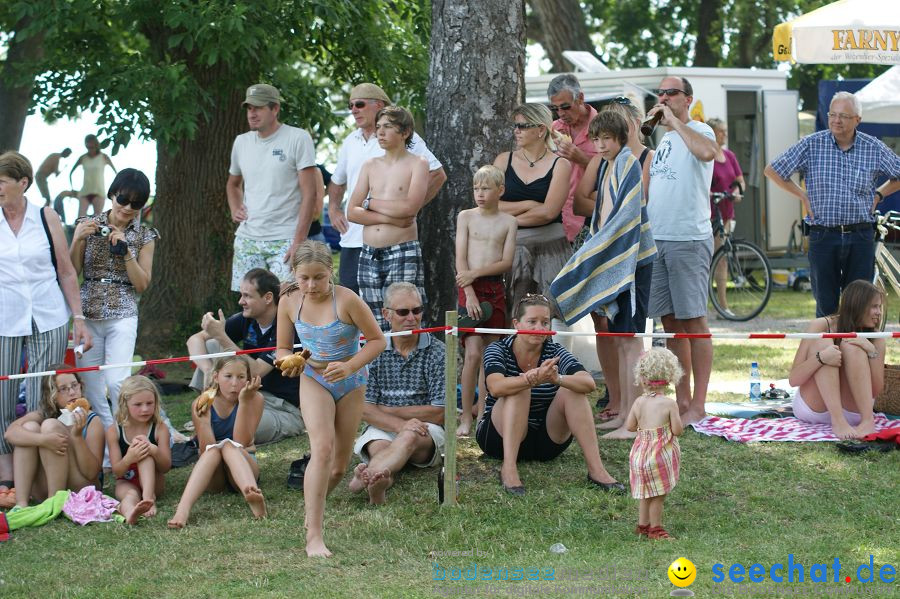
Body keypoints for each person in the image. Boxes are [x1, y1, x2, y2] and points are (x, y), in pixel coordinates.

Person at [275, 240, 385, 557]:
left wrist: (349, 365)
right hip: (313, 379)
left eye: (319, 277)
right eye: (304, 277)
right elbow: (282, 349)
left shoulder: (348, 300)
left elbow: (377, 341)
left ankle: (315, 503)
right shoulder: (288, 301)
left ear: (330, 272)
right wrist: (288, 363)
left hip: (350, 381)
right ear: (295, 274)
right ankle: (314, 536)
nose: (311, 285)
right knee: (320, 450)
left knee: (337, 466)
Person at [554, 111, 656, 441]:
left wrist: (594, 255)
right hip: (618, 262)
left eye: (606, 139)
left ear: (620, 137)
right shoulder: (609, 165)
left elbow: (627, 218)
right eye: (595, 139)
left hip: (632, 262)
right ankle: (625, 411)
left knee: (631, 341)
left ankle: (635, 417)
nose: (600, 145)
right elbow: (602, 216)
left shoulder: (627, 163)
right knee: (623, 340)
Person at [0, 151, 91, 491]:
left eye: (2, 181)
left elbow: (66, 271)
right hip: (4, 317)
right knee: (2, 397)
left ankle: (45, 472)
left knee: (46, 397)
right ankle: (7, 475)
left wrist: (78, 319)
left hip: (49, 313)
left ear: (23, 183)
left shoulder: (46, 215)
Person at [765, 91, 900, 318]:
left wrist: (879, 194)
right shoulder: (811, 144)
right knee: (826, 306)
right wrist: (803, 195)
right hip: (823, 235)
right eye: (832, 115)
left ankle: (855, 353)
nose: (836, 120)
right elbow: (772, 170)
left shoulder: (873, 147)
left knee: (858, 306)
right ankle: (828, 353)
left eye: (844, 116)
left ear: (857, 119)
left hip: (860, 236)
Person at [475, 294, 624, 495]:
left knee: (573, 391)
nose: (540, 328)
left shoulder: (555, 350)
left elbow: (588, 383)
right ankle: (508, 469)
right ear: (517, 324)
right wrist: (531, 379)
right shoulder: (497, 348)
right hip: (497, 439)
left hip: (546, 442)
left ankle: (597, 471)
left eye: (545, 322)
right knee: (519, 389)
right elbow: (496, 387)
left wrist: (557, 379)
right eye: (532, 322)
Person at [645, 76, 718, 425]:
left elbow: (708, 153)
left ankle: (700, 404)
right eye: (660, 93)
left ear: (687, 99)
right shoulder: (665, 140)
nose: (663, 98)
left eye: (670, 93)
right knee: (671, 324)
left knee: (694, 322)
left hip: (688, 239)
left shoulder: (700, 129)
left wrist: (674, 120)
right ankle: (683, 400)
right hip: (658, 240)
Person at [327, 82, 446, 294]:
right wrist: (334, 208)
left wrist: (409, 210)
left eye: (360, 104)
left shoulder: (406, 140)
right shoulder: (349, 141)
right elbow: (338, 180)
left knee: (400, 306)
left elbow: (437, 175)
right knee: (356, 308)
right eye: (350, 105)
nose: (353, 110)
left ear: (378, 105)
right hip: (354, 239)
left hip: (398, 241)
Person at [70, 168, 158, 430]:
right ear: (111, 195)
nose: (128, 207)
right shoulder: (88, 223)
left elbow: (142, 284)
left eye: (137, 203)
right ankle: (109, 449)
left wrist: (126, 251)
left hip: (123, 312)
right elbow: (72, 272)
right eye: (123, 199)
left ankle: (129, 436)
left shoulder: (145, 235)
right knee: (92, 387)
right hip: (87, 313)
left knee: (117, 381)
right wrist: (77, 240)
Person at [348, 283, 446, 504]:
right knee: (384, 449)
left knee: (409, 436)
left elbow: (440, 413)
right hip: (387, 427)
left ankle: (363, 478)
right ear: (386, 314)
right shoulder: (373, 350)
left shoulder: (438, 351)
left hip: (425, 431)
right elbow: (363, 409)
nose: (412, 317)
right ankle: (378, 484)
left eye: (417, 310)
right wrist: (400, 424)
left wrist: (388, 412)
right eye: (403, 312)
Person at [186, 268, 304, 445]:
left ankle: (212, 422)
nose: (241, 301)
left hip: (281, 407)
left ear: (268, 298)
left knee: (238, 429)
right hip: (246, 395)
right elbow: (194, 340)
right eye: (241, 295)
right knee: (211, 345)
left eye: (247, 296)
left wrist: (222, 336)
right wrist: (209, 370)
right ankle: (212, 414)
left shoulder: (286, 325)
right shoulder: (245, 318)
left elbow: (256, 371)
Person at [226, 83, 318, 290]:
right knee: (249, 304)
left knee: (287, 299)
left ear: (275, 109)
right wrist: (235, 208)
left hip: (286, 237)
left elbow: (310, 194)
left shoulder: (298, 138)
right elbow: (233, 184)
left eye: (258, 108)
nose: (252, 114)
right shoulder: (241, 142)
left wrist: (299, 241)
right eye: (249, 108)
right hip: (247, 239)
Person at [347, 106, 430, 328]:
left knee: (404, 314)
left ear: (405, 132)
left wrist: (370, 203)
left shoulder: (418, 164)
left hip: (402, 249)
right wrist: (392, 218)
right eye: (378, 127)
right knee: (372, 318)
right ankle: (377, 363)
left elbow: (410, 209)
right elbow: (352, 211)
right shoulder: (370, 165)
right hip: (368, 253)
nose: (380, 133)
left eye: (388, 127)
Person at [493, 104, 573, 326]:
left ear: (540, 130)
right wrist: (529, 203)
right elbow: (490, 205)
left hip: (551, 250)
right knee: (514, 313)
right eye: (515, 126)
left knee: (548, 316)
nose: (516, 131)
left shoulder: (560, 164)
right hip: (511, 248)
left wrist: (508, 218)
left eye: (522, 126)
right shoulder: (503, 161)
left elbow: (549, 212)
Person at [167, 356, 267, 528]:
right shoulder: (202, 402)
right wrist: (205, 422)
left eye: (241, 377)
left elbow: (241, 442)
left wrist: (243, 402)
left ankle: (252, 494)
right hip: (214, 474)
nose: (235, 383)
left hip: (245, 467)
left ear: (248, 379)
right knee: (214, 450)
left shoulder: (255, 399)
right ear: (216, 377)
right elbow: (205, 448)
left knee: (229, 445)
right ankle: (182, 509)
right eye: (228, 376)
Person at [455, 165, 517, 436]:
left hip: (494, 288)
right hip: (467, 288)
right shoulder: (466, 216)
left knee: (490, 354)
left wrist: (475, 274)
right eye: (476, 189)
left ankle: (483, 412)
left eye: (486, 189)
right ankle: (465, 416)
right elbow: (460, 257)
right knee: (472, 353)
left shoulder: (509, 222)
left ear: (500, 190)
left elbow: (506, 262)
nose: (479, 194)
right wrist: (468, 289)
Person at [788, 280, 886, 440]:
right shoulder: (820, 325)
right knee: (823, 342)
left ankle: (868, 421)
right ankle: (838, 421)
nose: (879, 312)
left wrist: (870, 351)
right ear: (857, 306)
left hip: (854, 412)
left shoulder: (877, 338)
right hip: (814, 408)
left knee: (852, 347)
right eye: (874, 307)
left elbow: (875, 391)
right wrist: (821, 358)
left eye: (880, 307)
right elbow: (794, 380)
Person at [4, 366, 104, 508]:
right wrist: (44, 440)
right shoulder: (44, 414)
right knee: (29, 428)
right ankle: (21, 503)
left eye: (74, 385)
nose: (71, 392)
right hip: (42, 488)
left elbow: (92, 473)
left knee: (50, 425)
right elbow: (10, 433)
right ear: (52, 395)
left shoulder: (92, 420)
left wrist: (76, 437)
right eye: (63, 388)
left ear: (80, 386)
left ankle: (54, 501)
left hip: (80, 488)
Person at [625, 348, 684, 541]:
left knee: (645, 494)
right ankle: (656, 529)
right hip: (658, 457)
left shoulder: (639, 402)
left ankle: (643, 526)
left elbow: (630, 427)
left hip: (639, 457)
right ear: (669, 377)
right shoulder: (669, 404)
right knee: (658, 495)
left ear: (642, 377)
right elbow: (677, 430)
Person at [107, 375, 171, 524]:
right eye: (138, 404)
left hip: (154, 483)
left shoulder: (160, 428)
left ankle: (149, 499)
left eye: (150, 403)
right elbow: (117, 471)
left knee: (144, 452)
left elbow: (166, 467)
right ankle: (130, 514)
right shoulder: (114, 431)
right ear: (125, 404)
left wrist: (153, 450)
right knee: (129, 495)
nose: (145, 409)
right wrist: (129, 457)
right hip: (126, 480)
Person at [546, 74, 599, 246]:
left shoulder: (602, 126)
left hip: (591, 219)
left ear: (581, 98)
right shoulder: (555, 128)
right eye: (555, 109)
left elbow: (615, 172)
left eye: (565, 107)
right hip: (559, 219)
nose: (561, 114)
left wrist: (582, 159)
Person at [706, 117, 746, 317]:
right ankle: (703, 306)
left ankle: (723, 305)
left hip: (727, 214)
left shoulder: (729, 156)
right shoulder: (705, 155)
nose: (725, 134)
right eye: (721, 131)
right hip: (709, 214)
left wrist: (738, 190)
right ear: (712, 132)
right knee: (707, 260)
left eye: (725, 130)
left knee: (722, 259)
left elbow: (740, 180)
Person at [69, 134, 116, 218]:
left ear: (96, 144)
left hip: (99, 192)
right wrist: (72, 188)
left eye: (92, 147)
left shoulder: (104, 157)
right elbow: (71, 173)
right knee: (80, 219)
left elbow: (116, 173)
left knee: (98, 219)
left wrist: (115, 190)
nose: (90, 149)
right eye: (88, 147)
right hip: (85, 192)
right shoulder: (82, 158)